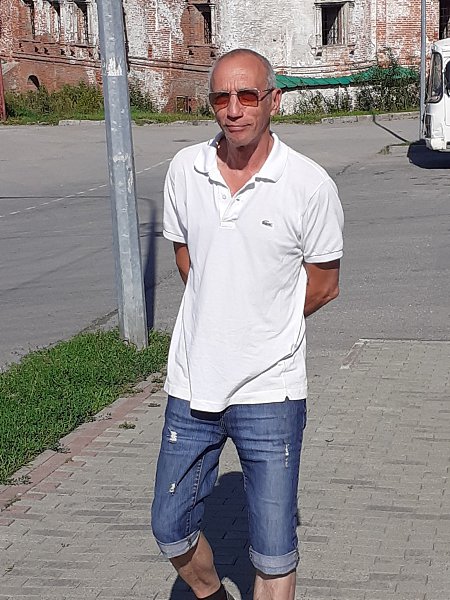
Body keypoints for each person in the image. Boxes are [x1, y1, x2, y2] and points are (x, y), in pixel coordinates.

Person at [151, 48, 344, 600]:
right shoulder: (185, 170)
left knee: (274, 552)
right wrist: (223, 309)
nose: (233, 109)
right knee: (169, 527)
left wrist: (262, 322)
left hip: (271, 390)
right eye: (221, 97)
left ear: (273, 101)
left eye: (247, 95)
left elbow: (324, 283)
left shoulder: (308, 184)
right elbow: (186, 256)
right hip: (193, 383)